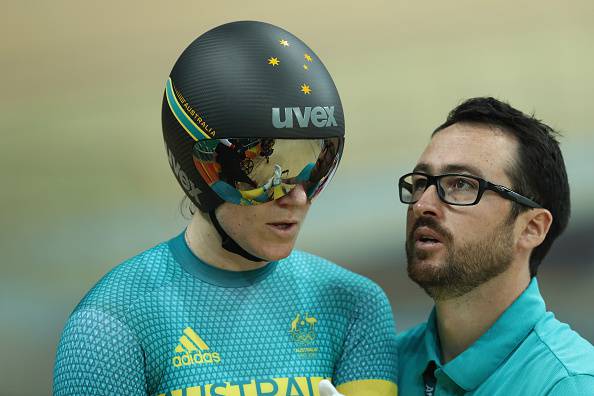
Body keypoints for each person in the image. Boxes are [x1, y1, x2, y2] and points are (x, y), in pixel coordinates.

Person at [52, 21, 398, 396]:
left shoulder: (354, 305)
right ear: (200, 173)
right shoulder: (108, 327)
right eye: (264, 172)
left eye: (315, 168)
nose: (296, 197)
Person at [395, 97, 594, 395]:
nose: (423, 204)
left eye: (461, 184)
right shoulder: (382, 365)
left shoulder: (569, 383)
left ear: (531, 228)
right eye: (421, 182)